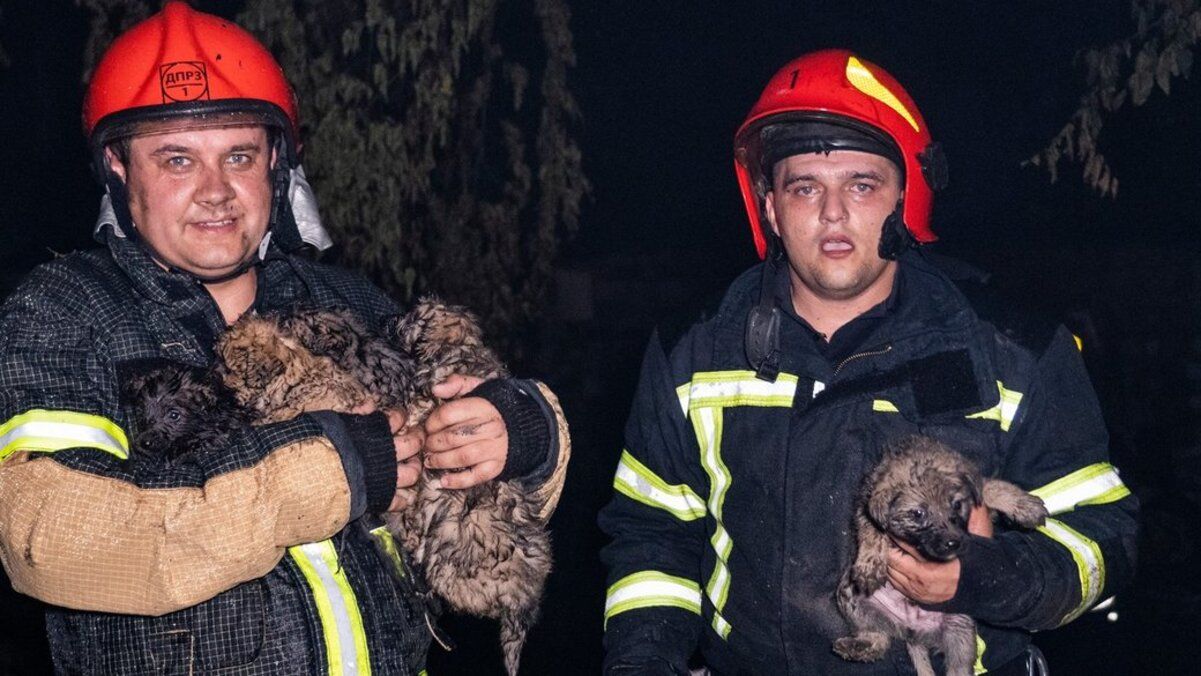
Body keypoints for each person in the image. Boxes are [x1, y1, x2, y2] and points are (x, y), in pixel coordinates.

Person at [0, 3, 568, 674]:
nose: (216, 191)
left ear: (276, 162)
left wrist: (523, 435)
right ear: (119, 169)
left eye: (238, 156)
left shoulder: (349, 301)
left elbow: (468, 520)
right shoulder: (64, 311)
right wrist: (322, 474)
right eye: (177, 160)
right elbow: (48, 542)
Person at [599, 49, 1137, 675]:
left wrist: (987, 577)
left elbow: (1106, 536)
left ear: (905, 199)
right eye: (804, 187)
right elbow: (652, 536)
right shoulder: (693, 353)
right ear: (770, 209)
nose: (832, 212)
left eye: (861, 185)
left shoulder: (1012, 352)